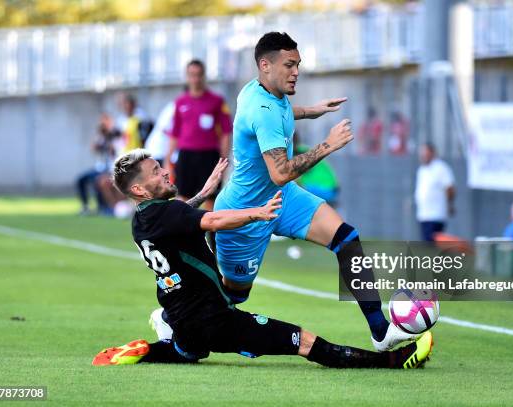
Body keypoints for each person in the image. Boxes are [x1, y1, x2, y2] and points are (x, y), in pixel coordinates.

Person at [91, 149, 433, 369]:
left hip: (184, 319)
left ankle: (154, 347)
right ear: (138, 189)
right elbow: (210, 221)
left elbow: (179, 216)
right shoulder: (167, 215)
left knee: (188, 352)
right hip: (213, 319)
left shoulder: (142, 219)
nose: (164, 171)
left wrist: (204, 193)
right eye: (154, 171)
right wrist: (257, 213)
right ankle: (391, 359)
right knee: (306, 342)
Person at [213, 32, 413, 352]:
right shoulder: (261, 108)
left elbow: (279, 115)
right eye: (289, 65)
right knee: (235, 296)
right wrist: (327, 145)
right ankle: (178, 318)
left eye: (298, 65)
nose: (296, 72)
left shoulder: (259, 92)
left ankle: (380, 331)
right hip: (244, 214)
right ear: (265, 65)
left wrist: (311, 111)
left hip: (283, 199)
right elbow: (279, 173)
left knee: (346, 239)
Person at [165, 59, 233, 210]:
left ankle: (212, 233)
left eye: (198, 75)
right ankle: (185, 233)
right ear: (187, 76)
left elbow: (226, 132)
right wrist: (168, 159)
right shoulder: (180, 102)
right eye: (192, 75)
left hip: (209, 156)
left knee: (210, 198)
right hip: (186, 156)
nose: (195, 79)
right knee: (183, 198)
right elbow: (174, 133)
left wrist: (223, 159)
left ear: (204, 76)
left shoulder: (217, 101)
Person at [76, 113, 120, 215]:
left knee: (99, 181)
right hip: (99, 168)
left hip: (109, 168)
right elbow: (93, 148)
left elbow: (114, 151)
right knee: (80, 179)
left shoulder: (115, 135)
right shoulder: (101, 137)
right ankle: (85, 205)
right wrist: (100, 137)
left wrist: (109, 138)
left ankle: (103, 207)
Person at [414, 142, 456, 242]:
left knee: (433, 245)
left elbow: (450, 188)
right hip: (423, 214)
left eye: (425, 152)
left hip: (436, 215)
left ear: (432, 153)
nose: (423, 155)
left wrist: (450, 205)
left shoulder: (441, 168)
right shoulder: (422, 169)